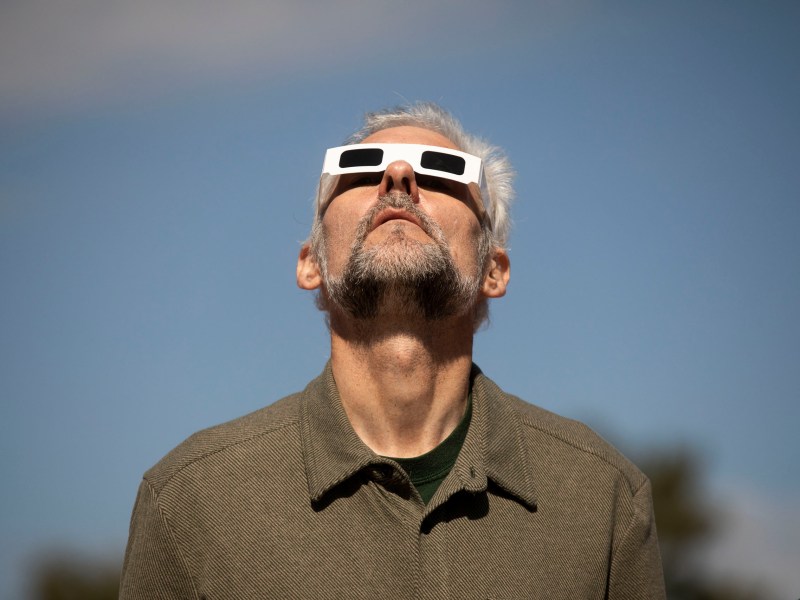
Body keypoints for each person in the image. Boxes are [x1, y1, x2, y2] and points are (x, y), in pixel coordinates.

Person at [120, 102, 666, 599]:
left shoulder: (603, 501)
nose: (399, 177)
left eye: (441, 171)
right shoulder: (190, 502)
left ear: (493, 270)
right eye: (360, 167)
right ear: (311, 263)